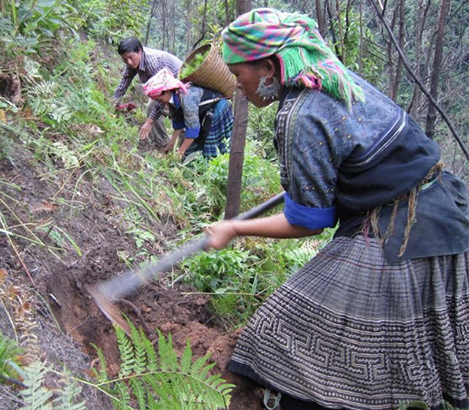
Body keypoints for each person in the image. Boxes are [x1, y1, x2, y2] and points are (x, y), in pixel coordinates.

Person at [205, 8, 469, 410]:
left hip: (402, 227)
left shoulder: (300, 115)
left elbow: (309, 221)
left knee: (281, 329)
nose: (238, 87)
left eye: (239, 75)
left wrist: (236, 229)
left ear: (268, 69)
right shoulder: (336, 79)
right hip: (446, 206)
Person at [142, 68, 233, 161]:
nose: (160, 103)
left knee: (213, 145)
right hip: (204, 112)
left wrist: (180, 152)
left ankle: (221, 164)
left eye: (160, 100)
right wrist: (170, 145)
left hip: (217, 109)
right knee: (194, 147)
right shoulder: (172, 99)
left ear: (167, 92)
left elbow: (193, 130)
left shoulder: (186, 97)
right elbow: (179, 124)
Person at [113, 37, 182, 148]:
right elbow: (124, 82)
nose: (129, 62)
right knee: (152, 107)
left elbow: (161, 94)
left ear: (139, 51)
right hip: (163, 88)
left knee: (180, 113)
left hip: (179, 84)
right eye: (125, 60)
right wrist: (114, 102)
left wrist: (150, 122)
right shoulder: (133, 63)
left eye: (131, 57)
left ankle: (182, 150)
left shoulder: (152, 63)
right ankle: (163, 144)